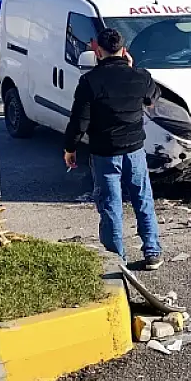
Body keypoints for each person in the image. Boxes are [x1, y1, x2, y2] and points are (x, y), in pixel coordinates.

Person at [64, 28, 164, 270]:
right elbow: (153, 98)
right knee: (142, 199)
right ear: (124, 50)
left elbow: (79, 121)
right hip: (135, 151)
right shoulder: (140, 76)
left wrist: (70, 148)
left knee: (111, 206)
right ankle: (152, 251)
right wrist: (131, 68)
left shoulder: (90, 82)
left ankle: (117, 260)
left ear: (98, 51)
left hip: (105, 153)